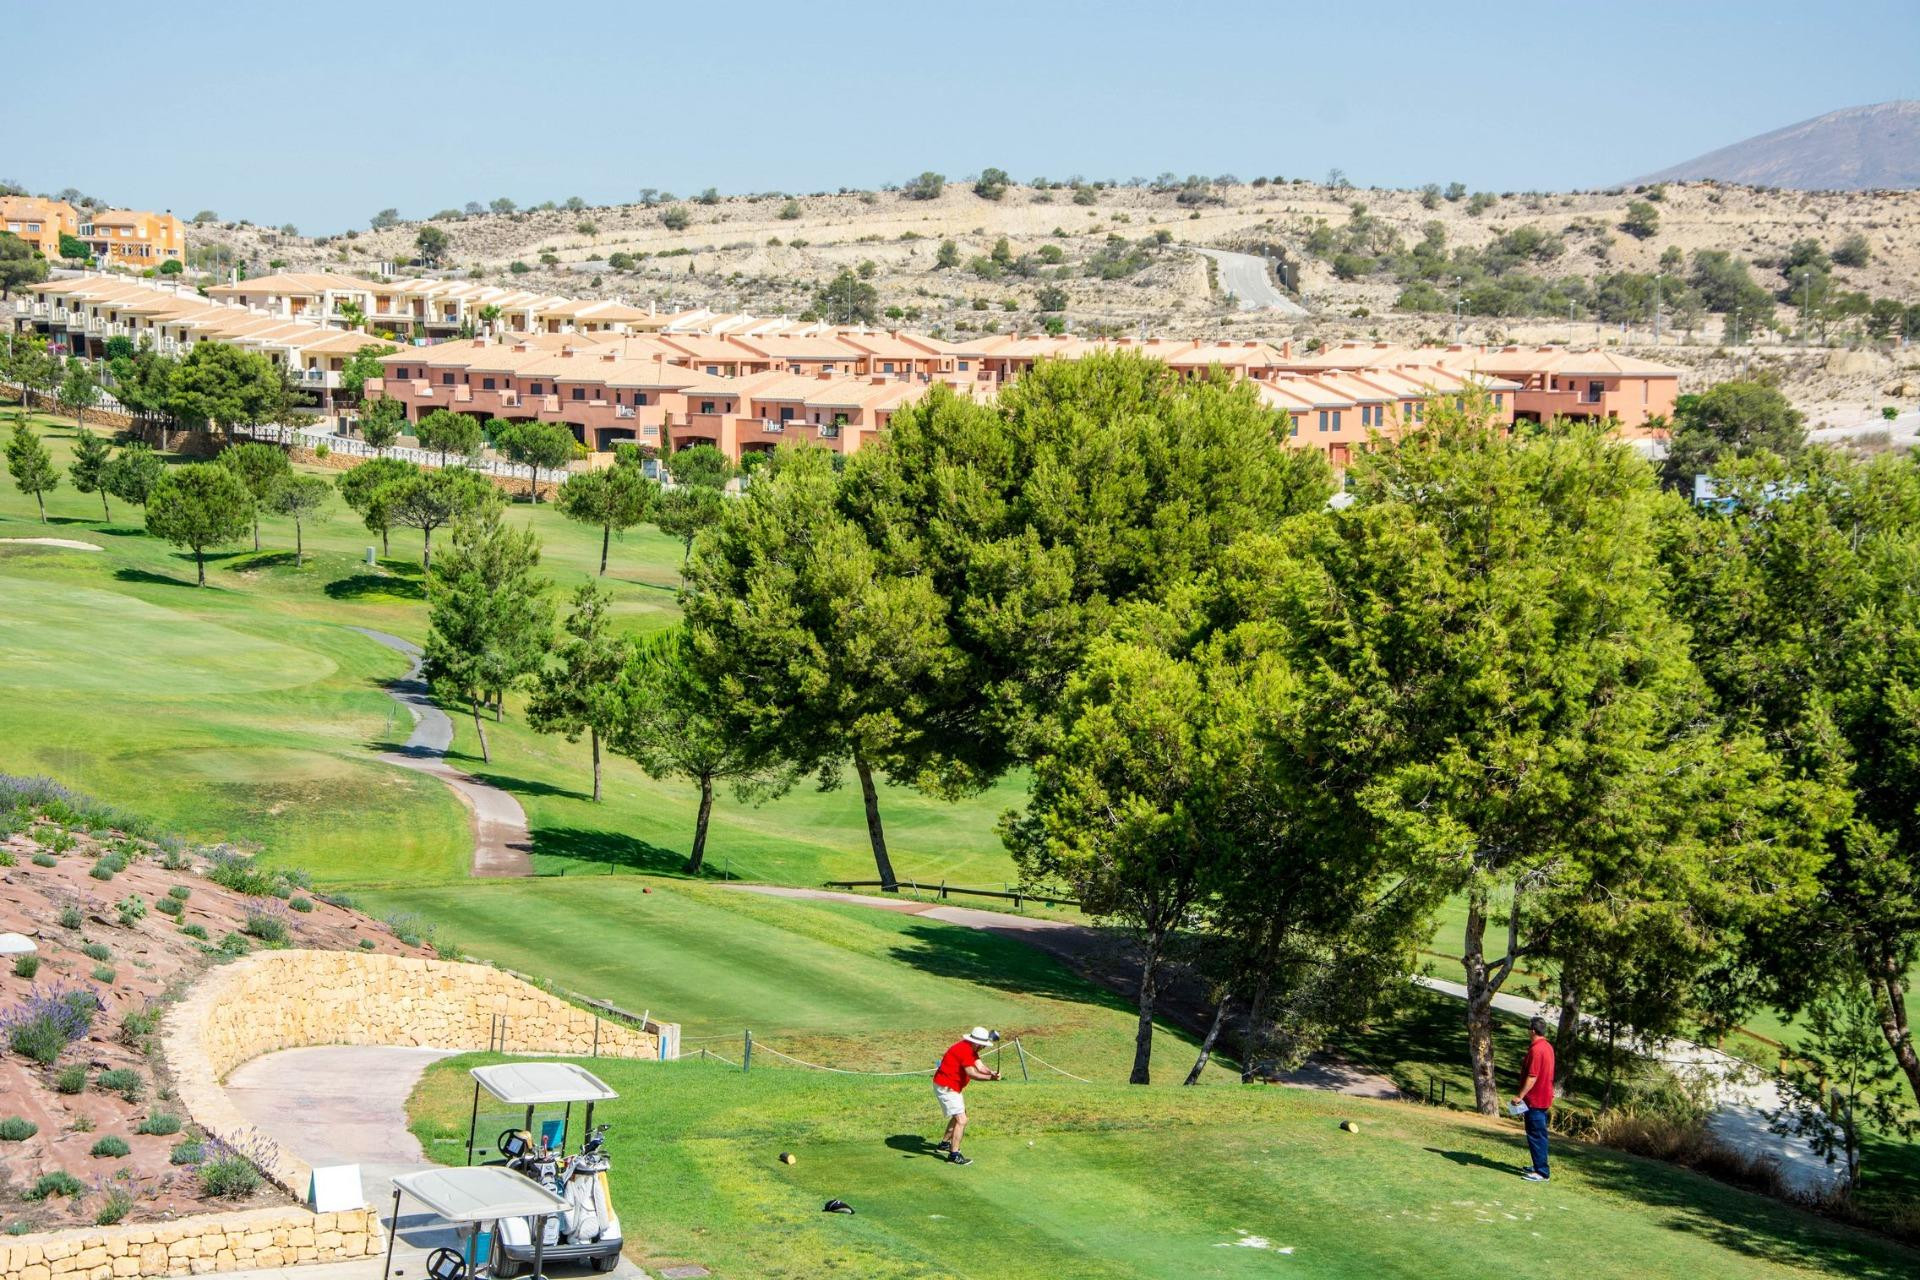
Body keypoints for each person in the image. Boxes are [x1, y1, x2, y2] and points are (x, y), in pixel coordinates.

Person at [931, 1026, 1000, 1166]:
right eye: (983, 1045)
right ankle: (953, 1155)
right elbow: (972, 1073)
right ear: (976, 1042)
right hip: (946, 1086)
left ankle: (944, 1144)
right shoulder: (964, 1050)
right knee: (962, 1119)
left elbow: (980, 1067)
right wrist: (990, 1079)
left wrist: (990, 1072)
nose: (984, 1048)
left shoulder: (970, 1049)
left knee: (958, 1116)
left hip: (951, 1086)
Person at [1513, 1014, 1555, 1182]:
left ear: (1532, 1030)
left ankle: (1542, 1172)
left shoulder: (1537, 1049)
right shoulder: (1547, 1047)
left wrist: (1519, 1096)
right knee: (1537, 1133)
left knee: (1537, 1135)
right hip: (1543, 1097)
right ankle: (1538, 1165)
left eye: (1528, 1029)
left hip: (1535, 1099)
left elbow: (1532, 1076)